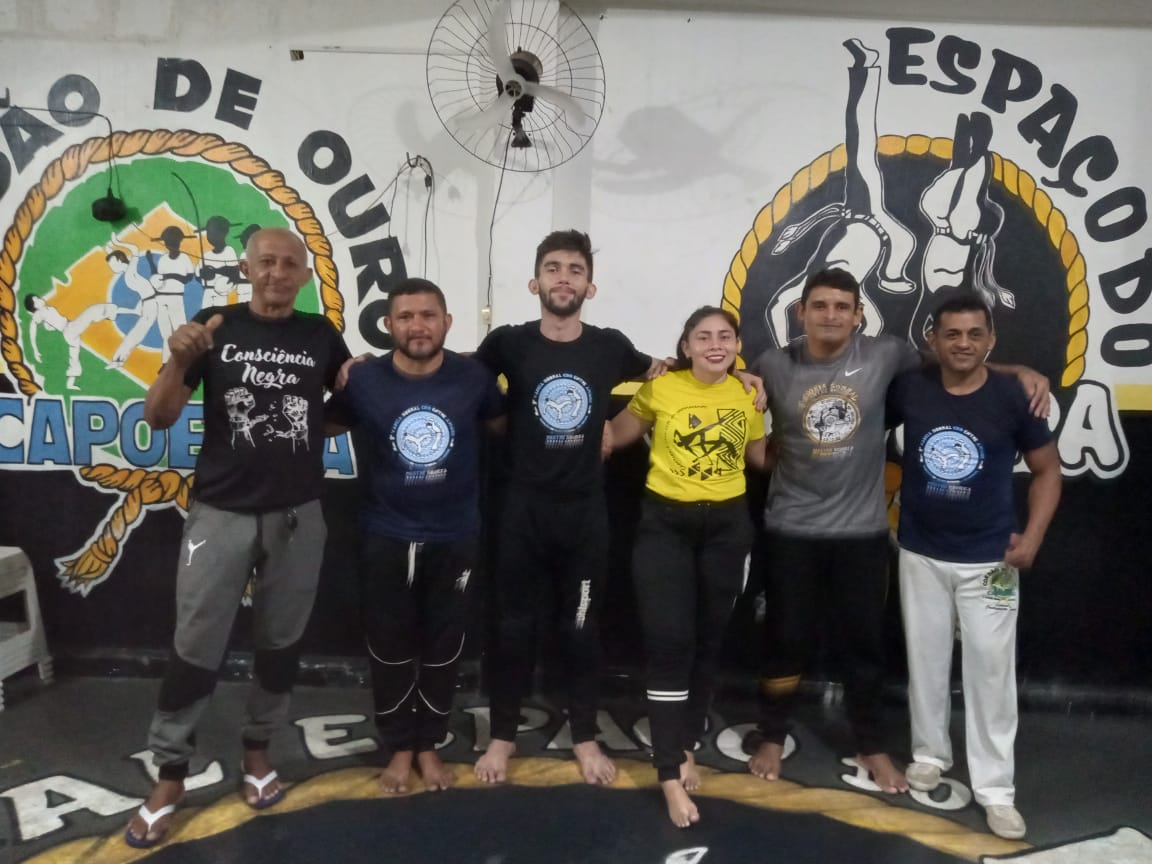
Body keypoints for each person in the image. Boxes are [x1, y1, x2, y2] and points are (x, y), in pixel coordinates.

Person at [744, 267, 1048, 794]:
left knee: (864, 647)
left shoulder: (887, 355)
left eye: (843, 306)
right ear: (801, 312)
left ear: (859, 315)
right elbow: (720, 388)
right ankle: (772, 735)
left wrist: (1018, 370)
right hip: (791, 527)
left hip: (862, 532)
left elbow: (958, 362)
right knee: (784, 639)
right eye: (820, 306)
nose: (831, 315)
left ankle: (870, 745)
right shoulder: (772, 364)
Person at [124, 228, 351, 848]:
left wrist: (302, 427)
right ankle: (171, 773)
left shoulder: (320, 335)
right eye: (266, 262)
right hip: (220, 512)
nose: (277, 273)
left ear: (304, 275)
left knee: (281, 641)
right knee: (196, 642)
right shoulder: (213, 326)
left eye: (289, 264)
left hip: (297, 513)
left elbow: (347, 407)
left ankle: (257, 749)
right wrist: (178, 360)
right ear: (247, 270)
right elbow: (158, 416)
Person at [472, 229, 665, 787]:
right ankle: (503, 735)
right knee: (512, 627)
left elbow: (673, 368)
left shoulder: (610, 347)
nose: (564, 278)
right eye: (553, 268)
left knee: (581, 628)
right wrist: (370, 363)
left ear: (590, 287)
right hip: (522, 509)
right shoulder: (508, 343)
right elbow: (454, 370)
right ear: (535, 282)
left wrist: (740, 374)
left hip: (584, 512)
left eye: (575, 270)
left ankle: (584, 736)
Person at [888, 296, 1060, 839]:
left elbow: (1049, 472)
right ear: (933, 340)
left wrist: (1033, 537)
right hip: (920, 551)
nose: (963, 343)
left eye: (974, 334)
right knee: (925, 661)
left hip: (991, 559)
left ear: (990, 340)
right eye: (952, 334)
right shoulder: (910, 387)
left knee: (990, 671)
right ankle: (929, 754)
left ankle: (995, 789)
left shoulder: (1015, 395)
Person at [326, 278, 504, 794]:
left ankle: (429, 743)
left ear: (447, 322)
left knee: (444, 647)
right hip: (387, 532)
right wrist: (328, 377)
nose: (417, 326)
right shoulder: (364, 380)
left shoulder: (474, 378)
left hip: (455, 534)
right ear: (388, 325)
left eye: (428, 315)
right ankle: (399, 746)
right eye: (405, 316)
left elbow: (507, 430)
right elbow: (316, 426)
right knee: (390, 648)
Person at [608, 306, 768, 827]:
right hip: (665, 527)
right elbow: (615, 436)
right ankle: (668, 773)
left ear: (736, 345)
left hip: (726, 529)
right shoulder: (662, 389)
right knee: (669, 644)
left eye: (724, 336)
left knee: (707, 642)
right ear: (686, 346)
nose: (715, 344)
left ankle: (686, 743)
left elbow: (760, 459)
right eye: (703, 337)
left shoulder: (746, 395)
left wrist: (824, 450)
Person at [25, 294, 126, 390]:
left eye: (37, 298)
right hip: (69, 329)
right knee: (90, 312)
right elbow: (32, 327)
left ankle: (70, 384)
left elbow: (45, 302)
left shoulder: (46, 309)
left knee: (74, 357)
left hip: (69, 332)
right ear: (35, 308)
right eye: (36, 301)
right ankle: (111, 312)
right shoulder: (40, 313)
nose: (39, 300)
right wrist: (35, 349)